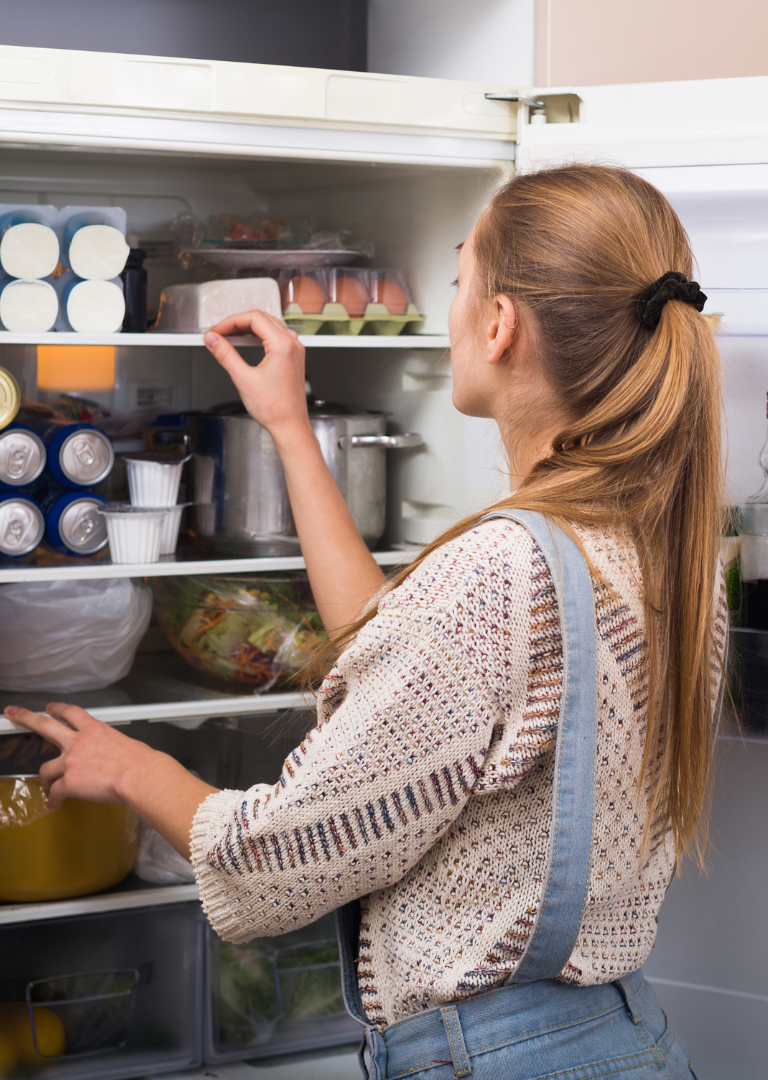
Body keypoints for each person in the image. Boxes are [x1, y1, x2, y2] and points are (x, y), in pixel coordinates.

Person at [7, 164, 726, 1079]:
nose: (454, 300)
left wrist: (136, 767)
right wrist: (290, 428)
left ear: (500, 325)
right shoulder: (651, 547)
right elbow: (396, 656)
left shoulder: (499, 570)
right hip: (621, 1043)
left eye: (462, 277)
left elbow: (276, 867)